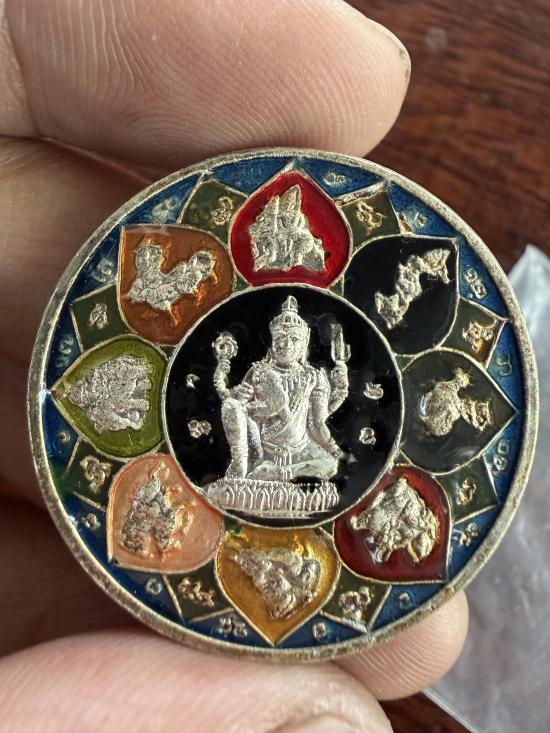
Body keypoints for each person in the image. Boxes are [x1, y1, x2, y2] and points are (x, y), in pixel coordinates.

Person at [0, 2, 468, 731]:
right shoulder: (263, 369)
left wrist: (339, 367)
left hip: (305, 460)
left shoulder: (308, 370)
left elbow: (327, 412)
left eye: (293, 340)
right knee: (239, 434)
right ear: (271, 338)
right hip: (260, 463)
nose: (287, 348)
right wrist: (224, 370)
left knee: (316, 455)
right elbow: (236, 402)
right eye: (281, 339)